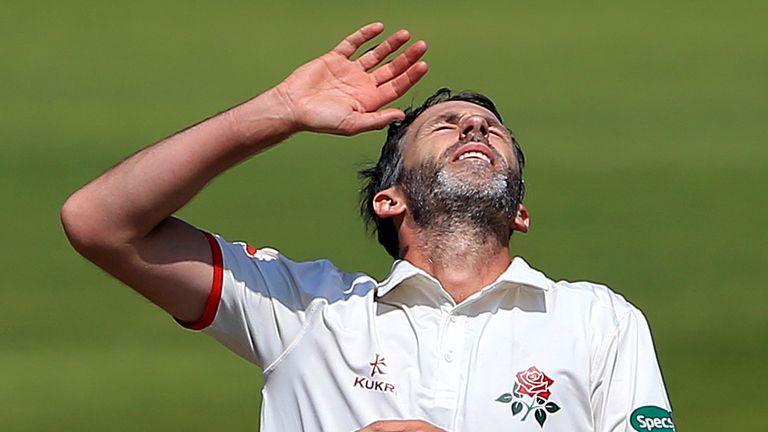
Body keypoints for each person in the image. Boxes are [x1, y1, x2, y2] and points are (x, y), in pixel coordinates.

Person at [61, 23, 674, 432]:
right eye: (445, 125)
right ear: (390, 199)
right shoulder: (309, 313)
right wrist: (275, 113)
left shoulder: (599, 321)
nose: (476, 129)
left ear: (519, 211)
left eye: (493, 131)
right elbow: (101, 222)